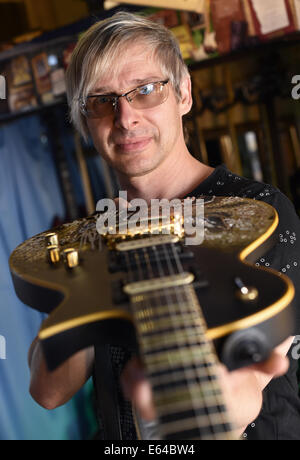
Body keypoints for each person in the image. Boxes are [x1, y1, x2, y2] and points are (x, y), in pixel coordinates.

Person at [28, 11, 300, 440]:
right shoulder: (87, 240)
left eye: (147, 90)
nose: (125, 117)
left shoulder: (257, 212)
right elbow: (49, 391)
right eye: (102, 100)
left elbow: (249, 383)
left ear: (184, 94)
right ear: (85, 122)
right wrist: (86, 283)